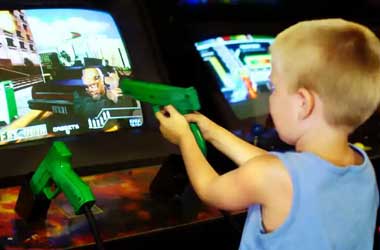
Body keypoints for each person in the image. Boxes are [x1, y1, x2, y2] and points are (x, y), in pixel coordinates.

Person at [155, 18, 380, 249]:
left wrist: (184, 138)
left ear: (303, 103)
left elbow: (210, 188)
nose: (270, 98)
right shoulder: (362, 167)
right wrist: (213, 132)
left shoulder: (274, 176)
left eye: (273, 88)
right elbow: (278, 168)